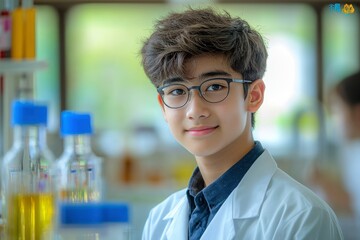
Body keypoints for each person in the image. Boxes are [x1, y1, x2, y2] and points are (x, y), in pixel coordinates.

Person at [140, 7, 343, 240]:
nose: (195, 111)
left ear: (253, 95)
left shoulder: (302, 217)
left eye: (215, 86)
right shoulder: (159, 219)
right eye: (176, 91)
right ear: (163, 106)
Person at [310, 71, 360, 240]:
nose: (334, 119)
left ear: (358, 112)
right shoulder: (351, 149)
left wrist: (325, 186)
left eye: (337, 109)